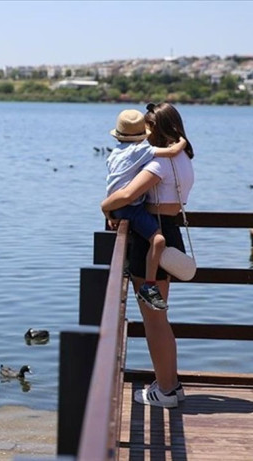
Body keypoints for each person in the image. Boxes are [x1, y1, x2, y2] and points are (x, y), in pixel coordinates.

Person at [101, 102, 195, 408]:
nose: (145, 132)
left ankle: (166, 390)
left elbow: (127, 196)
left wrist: (105, 205)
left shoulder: (159, 164)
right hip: (169, 231)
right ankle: (171, 384)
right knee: (160, 317)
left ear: (159, 128)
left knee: (154, 320)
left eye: (149, 127)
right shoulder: (182, 159)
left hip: (151, 236)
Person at [105, 109, 187, 310]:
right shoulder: (139, 151)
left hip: (119, 206)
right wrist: (182, 139)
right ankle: (149, 287)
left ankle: (124, 266)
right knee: (158, 240)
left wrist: (107, 209)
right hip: (128, 207)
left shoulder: (115, 152)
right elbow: (172, 152)